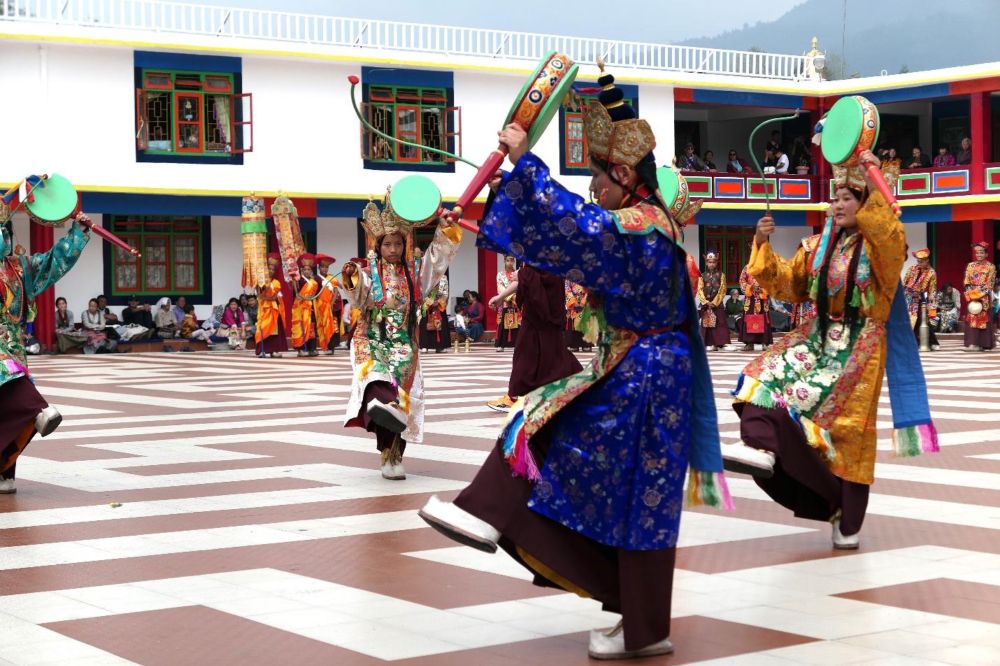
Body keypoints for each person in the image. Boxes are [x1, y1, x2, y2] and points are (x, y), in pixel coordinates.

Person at [418, 62, 729, 660]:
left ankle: (492, 515)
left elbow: (579, 230)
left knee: (546, 423)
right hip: (639, 369)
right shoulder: (644, 222)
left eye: (597, 179)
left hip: (643, 374)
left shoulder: (640, 227)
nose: (593, 190)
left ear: (621, 175)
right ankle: (631, 617)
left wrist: (522, 165)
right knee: (621, 490)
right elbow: (583, 228)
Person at [723, 151, 937, 551]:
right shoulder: (818, 246)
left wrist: (875, 178)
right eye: (834, 198)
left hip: (861, 348)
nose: (836, 205)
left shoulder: (883, 251)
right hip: (818, 339)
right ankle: (765, 445)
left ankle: (847, 516)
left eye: (847, 198)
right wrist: (761, 242)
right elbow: (789, 284)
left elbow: (889, 232)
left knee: (848, 438)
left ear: (867, 203)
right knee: (761, 376)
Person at [341, 195, 461, 480]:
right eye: (387, 244)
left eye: (397, 243)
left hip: (405, 344)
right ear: (377, 246)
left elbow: (438, 258)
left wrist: (444, 231)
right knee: (376, 384)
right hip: (371, 338)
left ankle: (394, 454)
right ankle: (385, 451)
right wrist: (351, 276)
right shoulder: (369, 271)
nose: (392, 249)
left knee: (402, 399)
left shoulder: (416, 272)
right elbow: (357, 298)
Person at [1, 213, 91, 494]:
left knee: (8, 409)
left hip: (13, 349)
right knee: (13, 393)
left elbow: (53, 261)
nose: (2, 237)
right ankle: (39, 409)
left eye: (4, 231)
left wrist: (78, 232)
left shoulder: (19, 270)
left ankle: (5, 470)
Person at [485, 263, 582, 413]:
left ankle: (514, 398)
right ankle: (577, 385)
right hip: (537, 313)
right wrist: (501, 297)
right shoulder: (534, 256)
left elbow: (546, 278)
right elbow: (525, 278)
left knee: (528, 354)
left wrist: (524, 274)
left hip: (544, 312)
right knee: (550, 354)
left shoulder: (544, 255)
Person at [903, 249, 940, 350]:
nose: (919, 263)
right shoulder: (911, 269)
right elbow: (905, 283)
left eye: (921, 261)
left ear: (927, 260)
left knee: (922, 320)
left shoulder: (931, 273)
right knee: (910, 320)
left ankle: (932, 342)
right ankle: (914, 342)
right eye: (918, 261)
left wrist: (932, 302)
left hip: (921, 299)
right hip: (909, 298)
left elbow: (932, 289)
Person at [963, 241, 996, 352]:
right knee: (972, 318)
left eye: (982, 252)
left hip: (984, 296)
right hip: (972, 296)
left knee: (982, 319)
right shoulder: (970, 265)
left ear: (986, 254)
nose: (979, 255)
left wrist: (978, 294)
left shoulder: (991, 267)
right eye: (977, 253)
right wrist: (971, 293)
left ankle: (983, 344)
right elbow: (967, 281)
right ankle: (973, 343)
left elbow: (990, 284)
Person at [254, 256, 287, 358]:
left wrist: (264, 296)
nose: (271, 271)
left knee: (274, 330)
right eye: (269, 268)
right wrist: (262, 294)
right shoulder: (260, 282)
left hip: (273, 309)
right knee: (263, 328)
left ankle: (274, 350)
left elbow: (273, 298)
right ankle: (262, 350)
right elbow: (259, 295)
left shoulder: (276, 283)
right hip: (263, 309)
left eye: (273, 269)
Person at [738, 259, 773, 351]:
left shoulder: (765, 267)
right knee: (749, 317)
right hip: (751, 297)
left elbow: (770, 281)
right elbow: (742, 280)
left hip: (762, 297)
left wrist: (762, 288)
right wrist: (750, 287)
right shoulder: (747, 267)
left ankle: (764, 342)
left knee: (763, 317)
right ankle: (749, 343)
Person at [698, 251, 730, 351]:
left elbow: (723, 289)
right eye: (709, 262)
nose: (711, 264)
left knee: (719, 324)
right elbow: (699, 289)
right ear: (706, 263)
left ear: (716, 263)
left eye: (713, 262)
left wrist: (715, 302)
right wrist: (705, 302)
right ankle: (708, 343)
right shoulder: (702, 275)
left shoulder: (721, 275)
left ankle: (720, 344)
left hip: (717, 304)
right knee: (707, 324)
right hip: (706, 304)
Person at [291, 253, 320, 357]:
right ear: (302, 271)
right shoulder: (298, 281)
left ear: (311, 271)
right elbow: (296, 295)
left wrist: (308, 298)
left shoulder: (314, 282)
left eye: (309, 270)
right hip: (299, 308)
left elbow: (314, 295)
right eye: (305, 270)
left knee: (311, 328)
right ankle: (301, 348)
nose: (307, 271)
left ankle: (312, 348)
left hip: (310, 307)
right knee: (301, 327)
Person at [315, 253, 342, 355]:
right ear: (319, 268)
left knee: (333, 326)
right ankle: (325, 346)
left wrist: (332, 302)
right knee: (323, 326)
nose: (325, 269)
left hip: (332, 307)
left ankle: (332, 347)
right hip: (321, 307)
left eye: (326, 267)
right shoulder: (316, 279)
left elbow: (337, 290)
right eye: (323, 267)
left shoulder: (332, 278)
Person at [495, 255, 521, 351]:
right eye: (508, 260)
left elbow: (520, 286)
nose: (510, 263)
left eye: (511, 260)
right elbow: (500, 288)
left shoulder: (517, 274)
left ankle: (517, 343)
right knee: (502, 323)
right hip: (505, 302)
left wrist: (516, 297)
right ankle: (501, 344)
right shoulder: (500, 275)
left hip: (516, 301)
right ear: (504, 261)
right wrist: (510, 297)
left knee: (518, 323)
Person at [420, 274, 451, 353]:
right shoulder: (424, 276)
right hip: (427, 305)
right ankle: (424, 346)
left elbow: (445, 292)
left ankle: (440, 346)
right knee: (425, 323)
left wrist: (439, 301)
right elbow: (422, 291)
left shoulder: (443, 277)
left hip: (439, 304)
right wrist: (430, 302)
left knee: (440, 324)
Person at [564, 280, 591, 351]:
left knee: (586, 321)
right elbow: (567, 290)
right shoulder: (568, 276)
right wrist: (573, 303)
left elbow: (591, 288)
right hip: (573, 304)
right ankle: (574, 344)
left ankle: (586, 343)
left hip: (586, 302)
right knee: (573, 323)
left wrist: (583, 302)